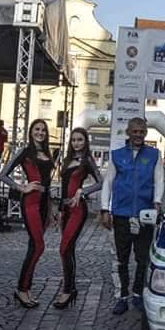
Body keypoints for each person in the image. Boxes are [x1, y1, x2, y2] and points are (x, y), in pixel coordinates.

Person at [100, 117, 164, 315]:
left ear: (146, 133)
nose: (138, 135)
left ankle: (137, 294)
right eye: (135, 131)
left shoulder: (154, 154)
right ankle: (122, 297)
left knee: (143, 258)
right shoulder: (117, 155)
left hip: (145, 214)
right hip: (121, 214)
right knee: (121, 259)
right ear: (128, 133)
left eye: (142, 132)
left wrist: (157, 201)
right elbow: (108, 182)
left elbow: (159, 179)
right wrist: (104, 209)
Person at [0, 120, 56, 308]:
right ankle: (21, 289)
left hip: (45, 203)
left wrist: (53, 206)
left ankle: (26, 289)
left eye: (43, 130)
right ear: (31, 132)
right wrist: (22, 187)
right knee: (38, 246)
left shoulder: (47, 152)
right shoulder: (25, 152)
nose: (40, 133)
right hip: (30, 202)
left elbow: (48, 181)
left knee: (34, 246)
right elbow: (3, 174)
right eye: (37, 129)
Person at [53, 128, 102, 309]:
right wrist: (59, 209)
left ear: (85, 141)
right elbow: (64, 186)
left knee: (64, 248)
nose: (77, 143)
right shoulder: (67, 160)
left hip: (78, 210)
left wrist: (83, 191)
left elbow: (101, 182)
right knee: (68, 250)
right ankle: (70, 287)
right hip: (65, 209)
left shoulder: (87, 160)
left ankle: (68, 289)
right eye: (74, 140)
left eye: (80, 140)